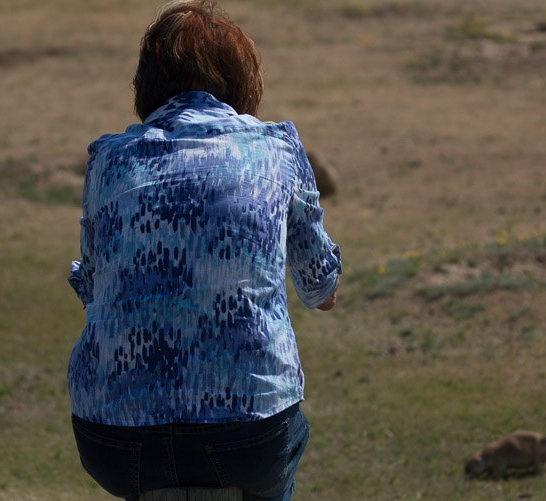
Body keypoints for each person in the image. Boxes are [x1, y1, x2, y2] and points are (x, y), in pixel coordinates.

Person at [66, 2, 341, 500]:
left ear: (146, 84)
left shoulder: (108, 161)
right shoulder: (276, 150)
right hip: (247, 434)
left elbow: (92, 286)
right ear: (243, 82)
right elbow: (319, 288)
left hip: (114, 440)